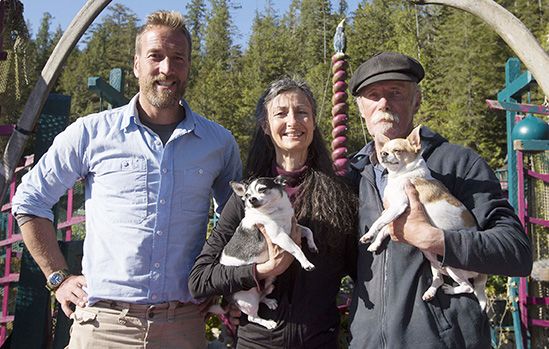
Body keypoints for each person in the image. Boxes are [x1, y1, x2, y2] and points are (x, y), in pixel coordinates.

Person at [11, 10, 241, 349]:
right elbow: (30, 200)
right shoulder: (91, 134)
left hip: (184, 328)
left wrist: (224, 284)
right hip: (103, 327)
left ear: (188, 66)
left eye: (178, 58)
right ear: (136, 65)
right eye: (156, 56)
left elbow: (237, 224)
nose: (167, 68)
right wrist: (58, 278)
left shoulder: (219, 144)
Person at [347, 52, 533, 348]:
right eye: (373, 95)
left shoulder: (459, 164)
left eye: (395, 92)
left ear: (416, 100)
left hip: (446, 341)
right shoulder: (354, 176)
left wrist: (436, 239)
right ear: (361, 109)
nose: (384, 103)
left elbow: (516, 251)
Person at [188, 78, 358, 348]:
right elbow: (200, 279)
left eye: (302, 112)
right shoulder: (245, 200)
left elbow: (363, 271)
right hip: (257, 342)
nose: (293, 121)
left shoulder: (340, 195)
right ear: (266, 127)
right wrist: (260, 270)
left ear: (314, 122)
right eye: (281, 113)